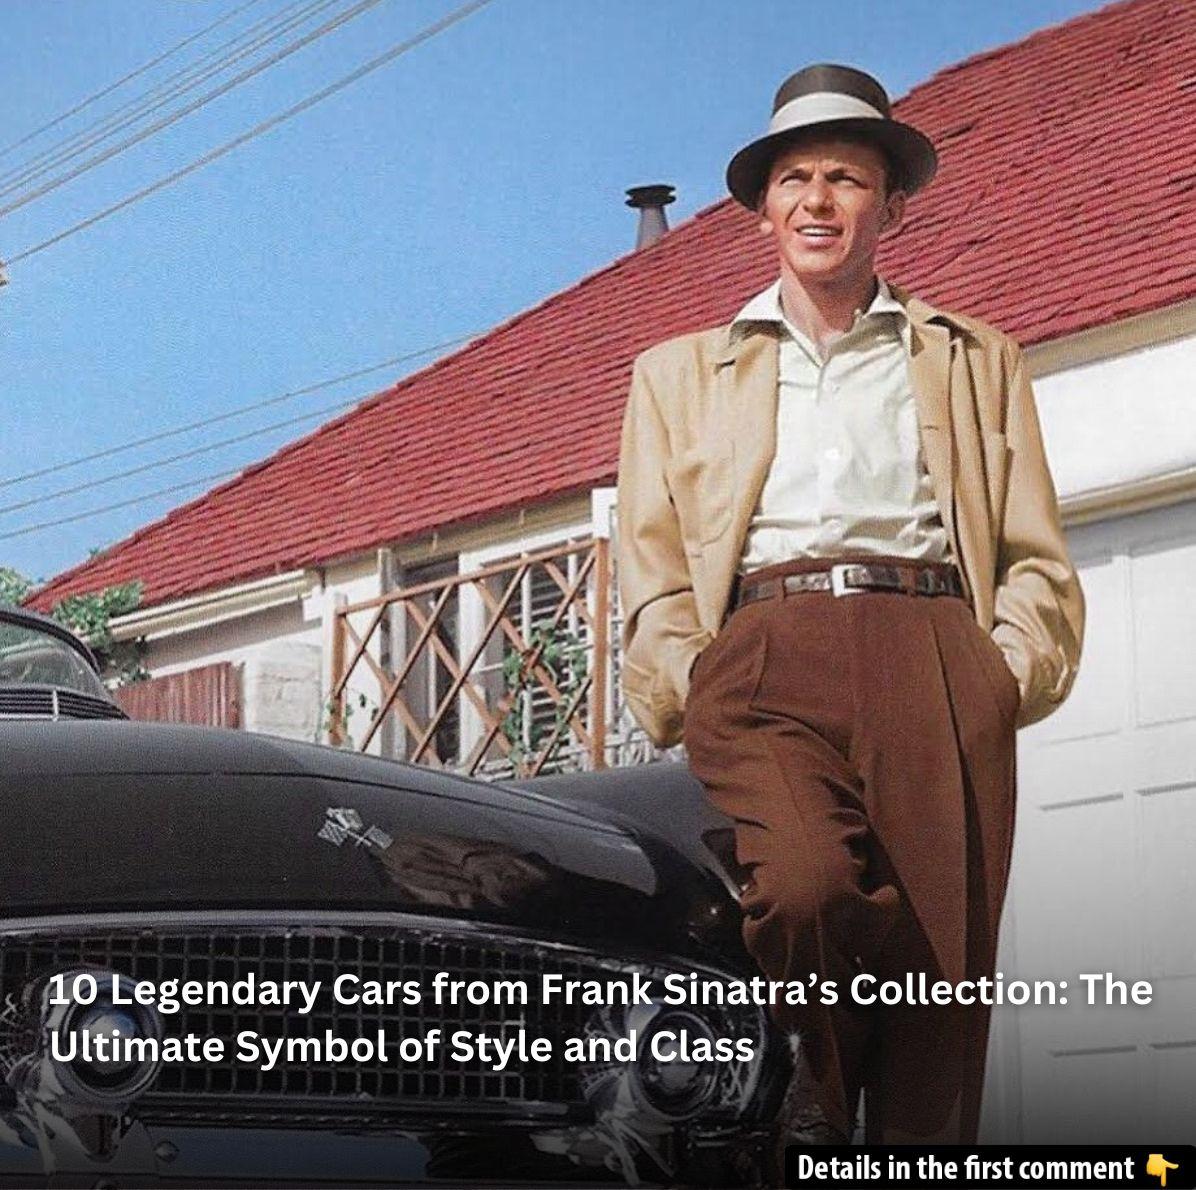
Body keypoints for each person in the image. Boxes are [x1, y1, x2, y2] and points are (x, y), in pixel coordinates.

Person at [615, 63, 1085, 1151]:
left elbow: (1031, 551)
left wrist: (998, 673)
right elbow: (651, 561)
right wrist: (692, 672)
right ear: (763, 209)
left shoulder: (973, 358)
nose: (817, 201)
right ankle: (811, 1117)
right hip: (761, 654)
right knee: (806, 887)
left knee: (937, 985)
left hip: (932, 649)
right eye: (795, 179)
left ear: (891, 207)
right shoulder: (677, 373)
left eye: (846, 178)